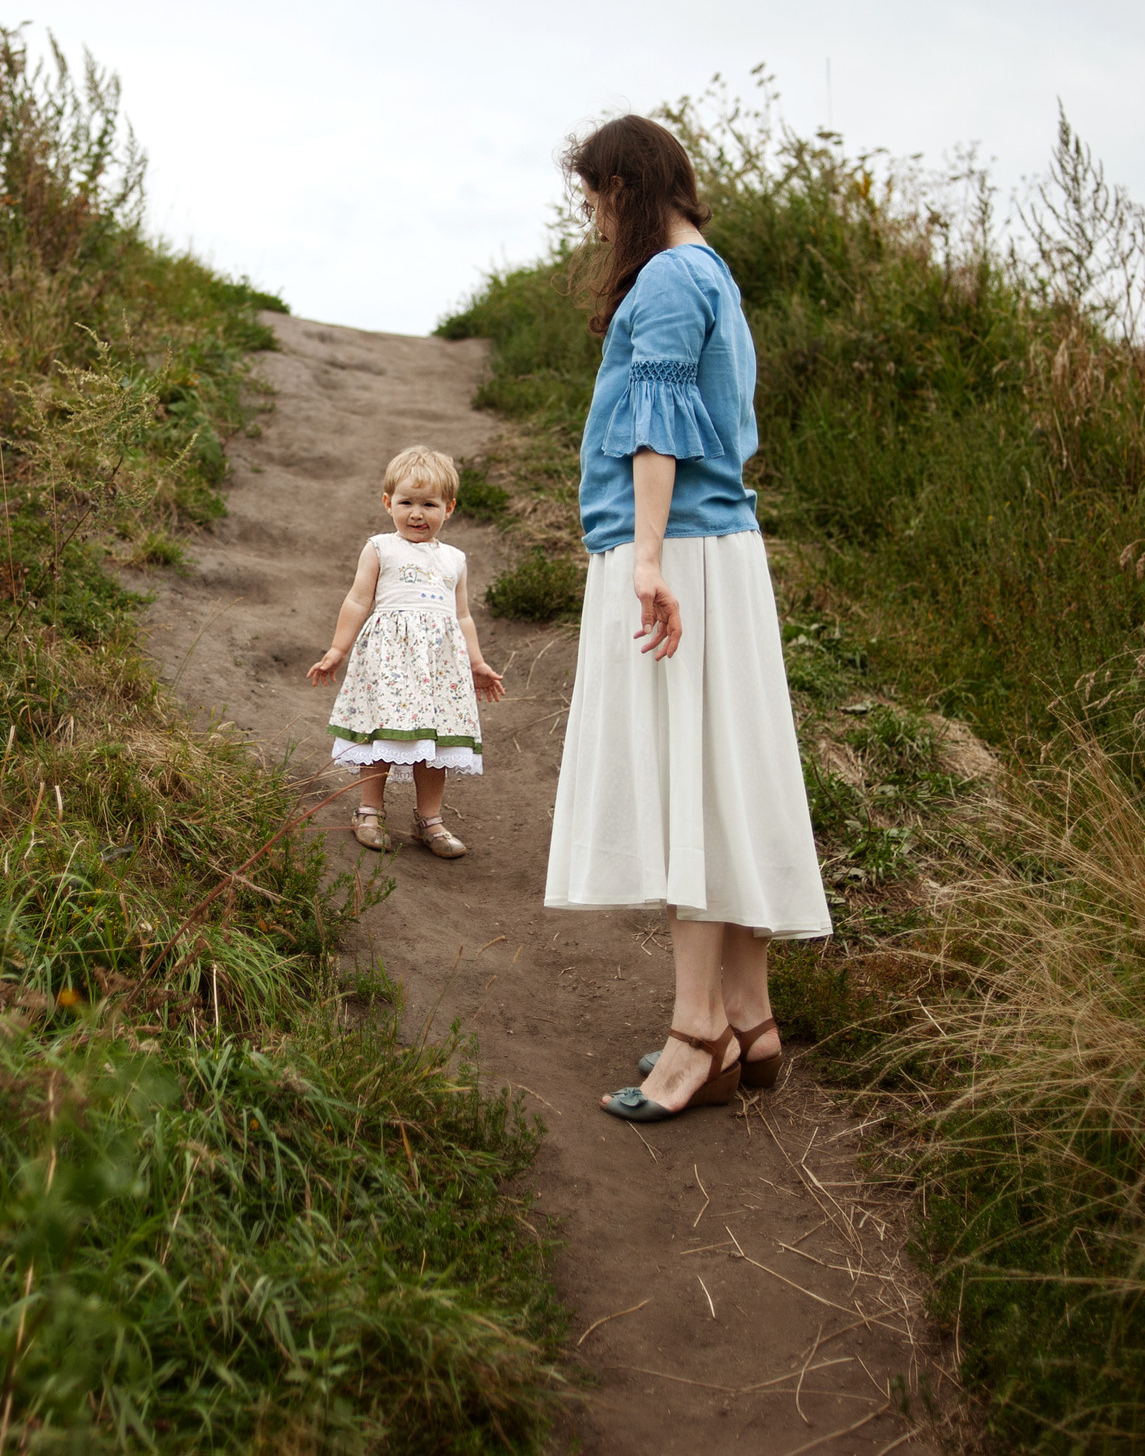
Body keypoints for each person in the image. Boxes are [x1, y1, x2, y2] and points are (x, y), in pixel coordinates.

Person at [541, 115, 830, 1122]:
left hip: (681, 555)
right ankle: (749, 1018)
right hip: (719, 551)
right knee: (724, 777)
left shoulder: (666, 278)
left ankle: (697, 1033)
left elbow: (657, 428)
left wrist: (649, 559)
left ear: (623, 189)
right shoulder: (712, 273)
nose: (593, 224)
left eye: (593, 202)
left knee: (691, 790)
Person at [308, 446, 507, 856]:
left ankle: (429, 820)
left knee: (434, 745)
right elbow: (357, 600)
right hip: (390, 663)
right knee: (381, 733)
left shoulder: (454, 559)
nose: (417, 514)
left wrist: (477, 662)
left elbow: (463, 616)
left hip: (439, 668)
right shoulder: (380, 548)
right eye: (406, 503)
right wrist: (338, 648)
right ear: (388, 503)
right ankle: (369, 811)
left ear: (449, 508)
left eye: (429, 504)